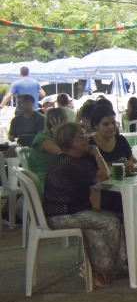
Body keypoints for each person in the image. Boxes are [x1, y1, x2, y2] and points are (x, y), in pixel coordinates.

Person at [43, 122, 125, 288]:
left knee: (105, 221)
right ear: (69, 140)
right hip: (64, 215)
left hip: (68, 212)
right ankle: (98, 268)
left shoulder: (66, 159)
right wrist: (97, 153)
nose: (87, 138)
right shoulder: (68, 162)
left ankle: (95, 268)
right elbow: (104, 175)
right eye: (81, 136)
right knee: (111, 222)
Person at [88, 103, 137, 259]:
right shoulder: (90, 145)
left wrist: (131, 166)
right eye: (105, 124)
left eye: (113, 123)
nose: (111, 127)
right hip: (102, 192)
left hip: (126, 186)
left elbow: (135, 162)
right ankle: (131, 257)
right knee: (129, 209)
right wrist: (114, 167)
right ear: (95, 125)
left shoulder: (120, 140)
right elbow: (91, 172)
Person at [28, 107, 68, 192]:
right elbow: (64, 153)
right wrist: (59, 133)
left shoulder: (48, 137)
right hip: (44, 181)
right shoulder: (43, 139)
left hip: (56, 177)